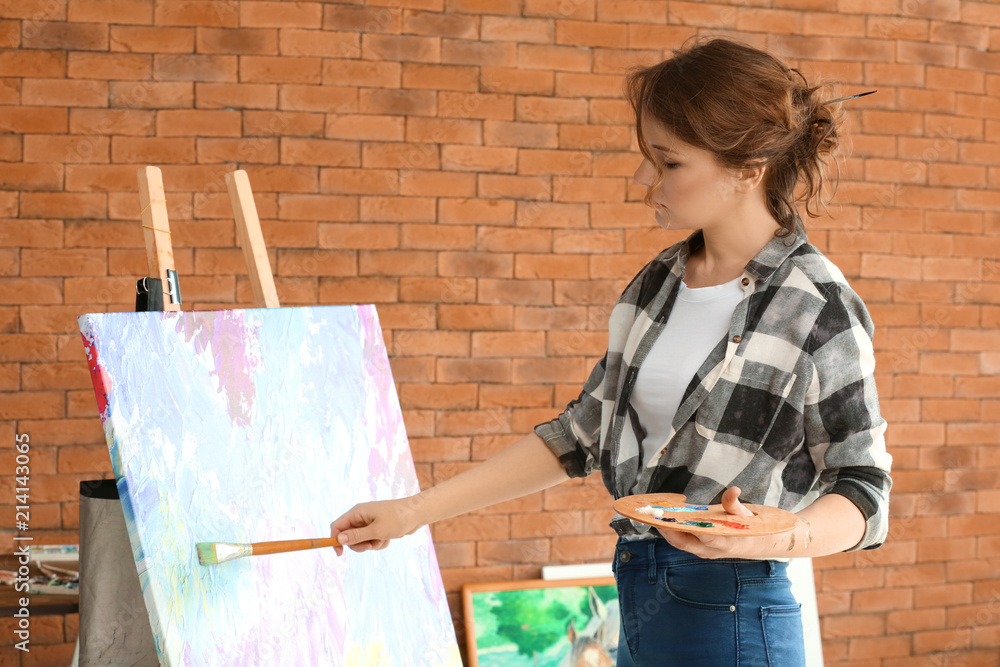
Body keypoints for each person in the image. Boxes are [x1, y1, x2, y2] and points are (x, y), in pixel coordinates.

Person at [330, 37, 892, 666]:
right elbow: (580, 435)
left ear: (749, 168)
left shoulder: (816, 306)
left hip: (734, 616)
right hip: (639, 603)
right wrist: (412, 513)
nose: (643, 178)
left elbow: (864, 487)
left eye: (669, 162)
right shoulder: (656, 285)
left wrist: (783, 533)